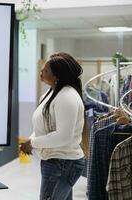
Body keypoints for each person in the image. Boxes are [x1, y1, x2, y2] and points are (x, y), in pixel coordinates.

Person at [20, 52, 87, 200]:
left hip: (63, 162)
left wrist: (33, 143)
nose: (41, 72)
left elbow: (63, 137)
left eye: (45, 70)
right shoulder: (51, 93)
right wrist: (31, 141)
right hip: (56, 161)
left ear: (56, 76)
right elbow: (42, 126)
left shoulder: (67, 97)